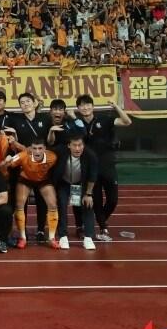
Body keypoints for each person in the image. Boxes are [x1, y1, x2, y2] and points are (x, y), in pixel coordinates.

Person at [75, 95, 132, 242]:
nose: (85, 108)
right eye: (82, 106)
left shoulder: (104, 120)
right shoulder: (78, 124)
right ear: (78, 109)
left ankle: (101, 220)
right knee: (97, 201)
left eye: (88, 105)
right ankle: (103, 227)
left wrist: (116, 107)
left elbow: (127, 121)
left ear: (92, 107)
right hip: (90, 169)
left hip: (107, 166)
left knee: (113, 200)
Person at [7, 137, 60, 249]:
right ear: (31, 149)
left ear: (44, 149)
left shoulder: (52, 157)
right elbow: (8, 164)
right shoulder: (23, 155)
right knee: (19, 204)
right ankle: (23, 237)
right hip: (25, 179)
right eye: (34, 148)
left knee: (53, 204)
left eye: (40, 148)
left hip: (43, 180)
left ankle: (51, 238)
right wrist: (6, 161)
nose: (37, 151)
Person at [54, 133, 97, 250]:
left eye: (80, 145)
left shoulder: (90, 155)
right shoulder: (60, 151)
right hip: (63, 183)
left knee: (86, 204)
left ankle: (88, 237)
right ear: (69, 145)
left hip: (78, 185)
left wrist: (88, 194)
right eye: (75, 145)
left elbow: (93, 176)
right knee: (62, 205)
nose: (78, 148)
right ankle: (63, 236)